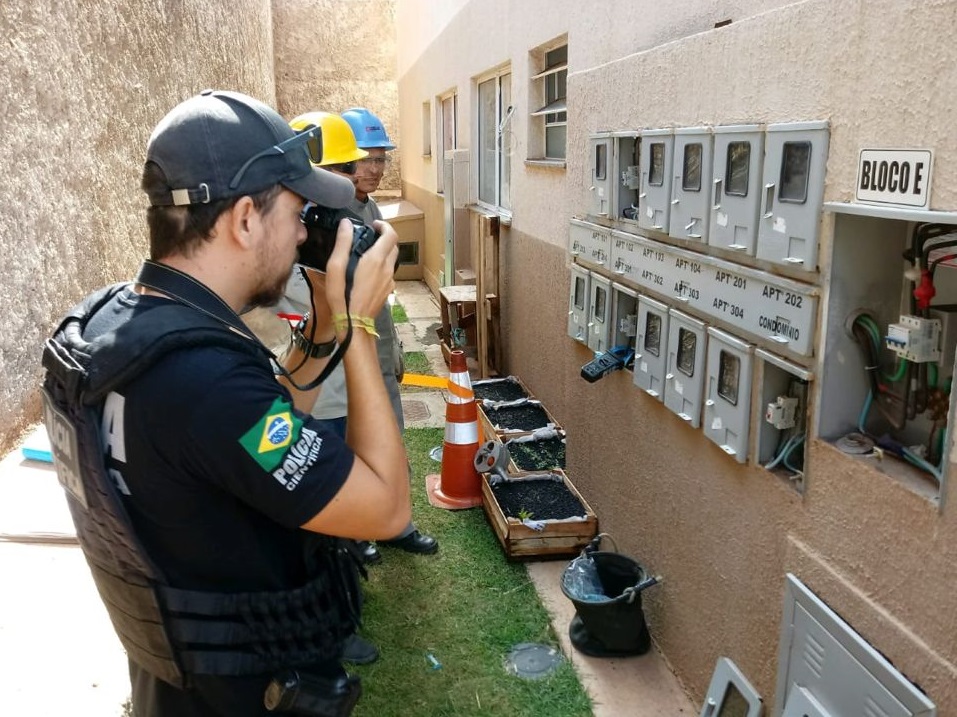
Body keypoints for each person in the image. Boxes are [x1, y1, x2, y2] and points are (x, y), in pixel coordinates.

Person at [40, 89, 409, 716]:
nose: (301, 232)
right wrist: (360, 328)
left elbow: (261, 427)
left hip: (173, 672)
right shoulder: (204, 381)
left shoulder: (113, 326)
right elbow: (386, 509)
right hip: (238, 692)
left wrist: (323, 326)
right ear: (244, 219)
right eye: (296, 210)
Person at [287, 108, 438, 563]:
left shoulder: (366, 210)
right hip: (333, 373)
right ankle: (353, 533)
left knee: (387, 435)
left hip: (366, 350)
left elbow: (373, 305)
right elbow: (271, 441)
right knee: (339, 452)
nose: (369, 170)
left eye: (376, 160)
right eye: (356, 162)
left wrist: (386, 354)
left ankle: (390, 524)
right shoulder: (294, 254)